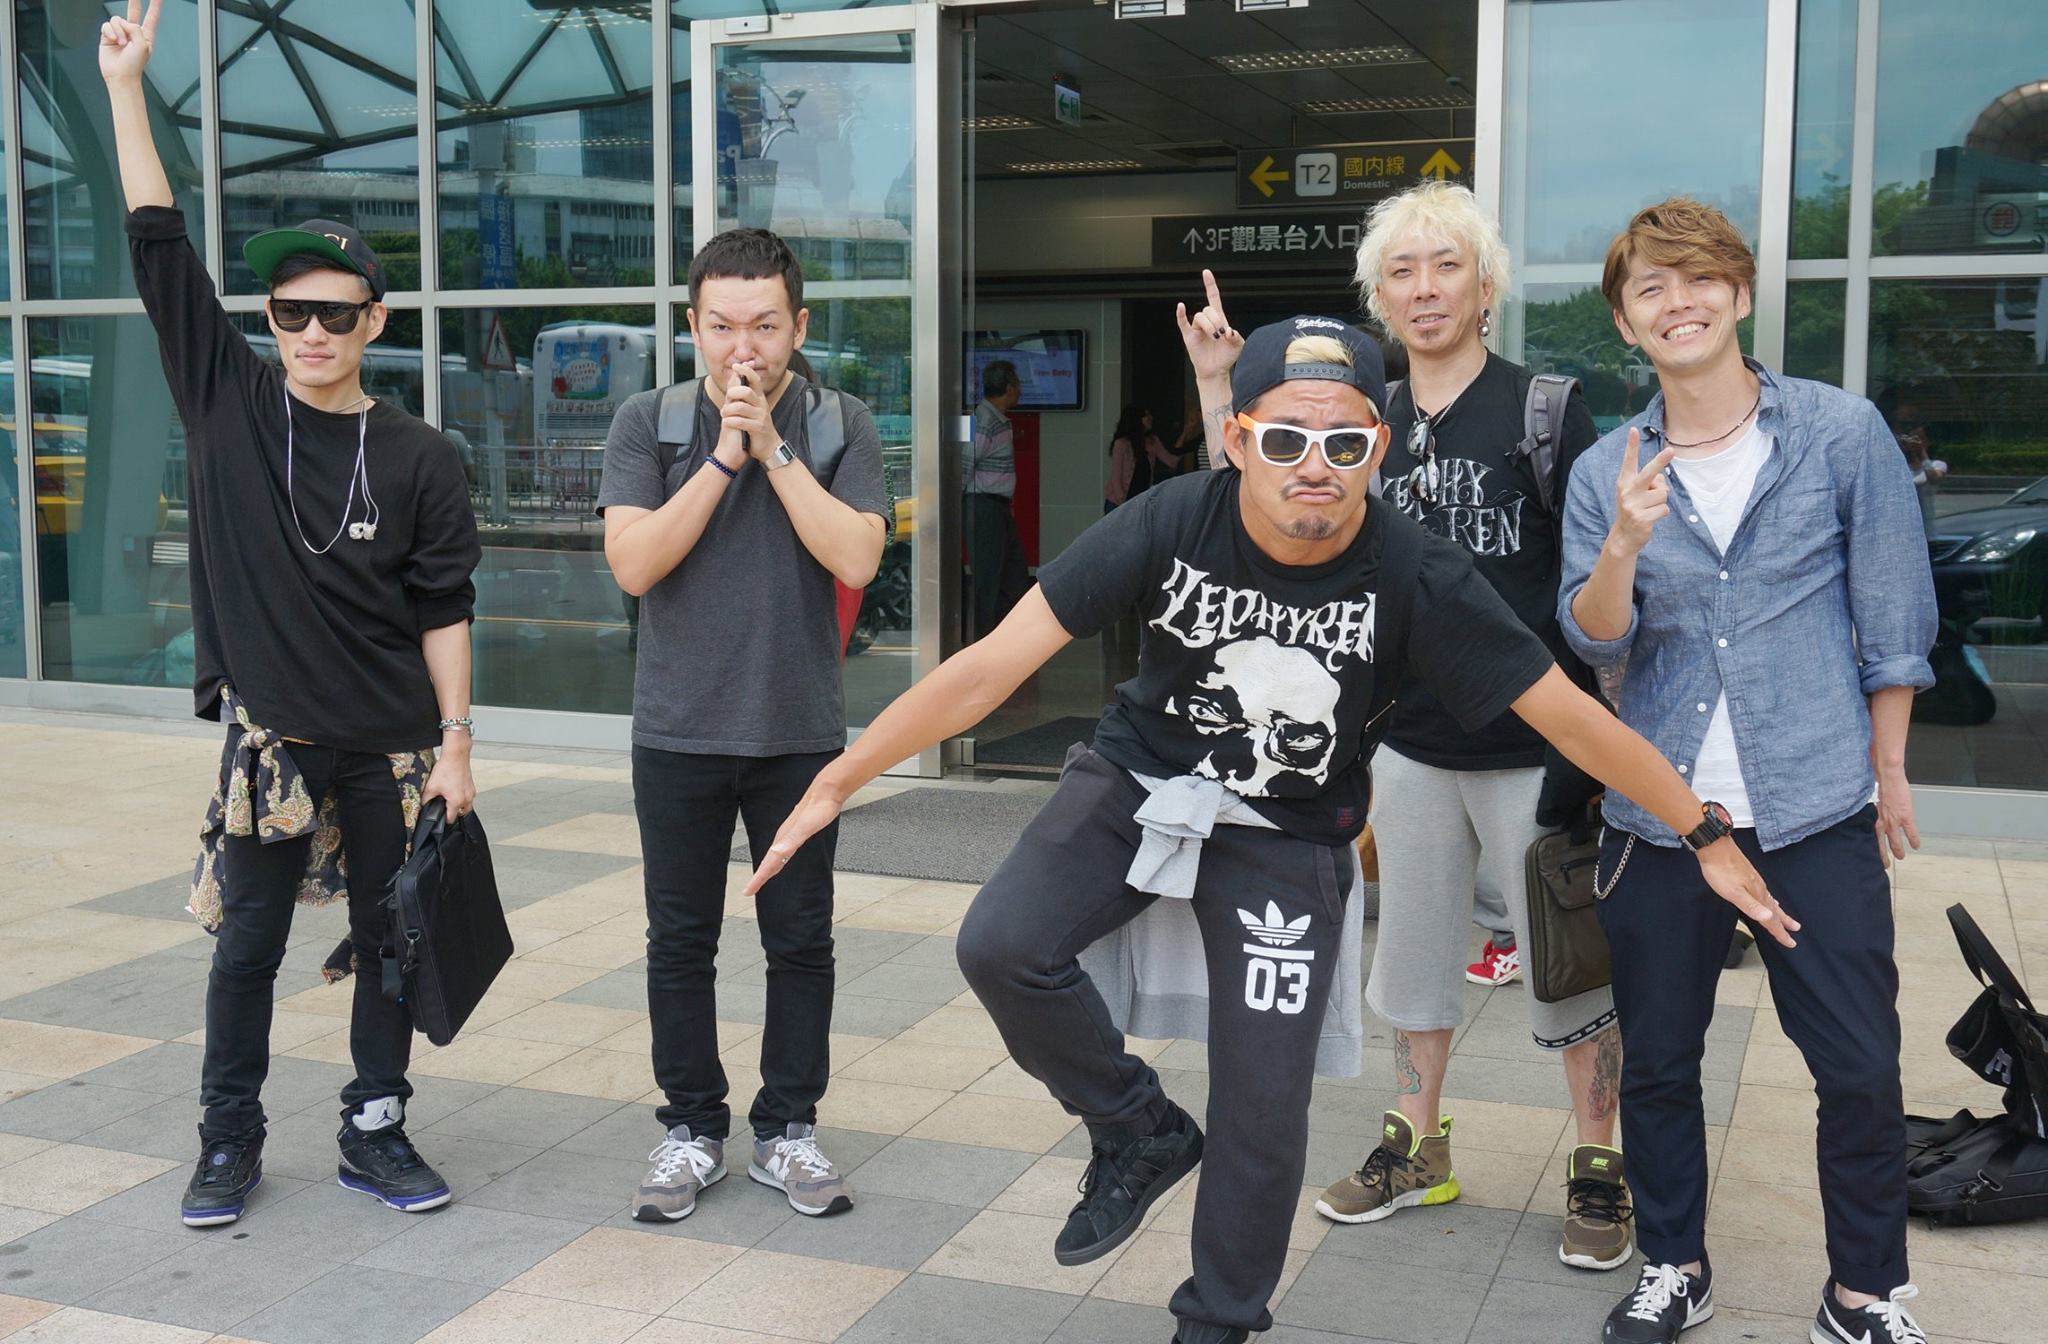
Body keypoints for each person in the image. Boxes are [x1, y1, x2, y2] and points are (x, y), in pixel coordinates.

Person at [743, 314, 1794, 1344]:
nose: (1314, 467)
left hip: (1288, 830)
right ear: (1239, 438)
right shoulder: (1172, 518)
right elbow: (989, 669)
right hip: (1137, 779)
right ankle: (1137, 1128)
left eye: (1343, 443)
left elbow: (1569, 717)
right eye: (1285, 439)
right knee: (1000, 944)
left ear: (1377, 446)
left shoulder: (1412, 569)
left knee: (1262, 1093)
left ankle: (1219, 1318)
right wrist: (839, 779)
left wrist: (1704, 833)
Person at [102, 1, 481, 1228]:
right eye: (289, 312)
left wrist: (456, 746)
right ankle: (228, 1141)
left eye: (335, 312)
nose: (310, 331)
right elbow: (159, 243)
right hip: (270, 741)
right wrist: (126, 90)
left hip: (388, 742)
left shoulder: (420, 454)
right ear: (268, 322)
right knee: (247, 950)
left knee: (390, 943)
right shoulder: (227, 402)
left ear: (375, 321)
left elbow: (443, 606)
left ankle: (376, 1131)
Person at [1560, 198, 1935, 1344]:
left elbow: (1891, 612)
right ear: (1624, 323)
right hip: (1661, 818)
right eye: (1648, 289)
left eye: (1695, 280)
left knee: (1857, 1066)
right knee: (1658, 1065)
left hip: (1813, 805)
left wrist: (1887, 768)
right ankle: (1673, 1265)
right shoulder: (1606, 468)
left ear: (1737, 292)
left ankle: (1862, 1293)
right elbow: (1593, 640)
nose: (1675, 303)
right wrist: (1622, 543)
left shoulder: (1836, 432)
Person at [597, 226, 889, 1222]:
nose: (743, 349)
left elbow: (856, 558)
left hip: (797, 732)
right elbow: (635, 564)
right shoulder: (648, 422)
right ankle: (690, 1127)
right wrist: (724, 457)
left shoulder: (841, 422)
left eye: (764, 325)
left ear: (798, 325)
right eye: (721, 326)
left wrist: (773, 451)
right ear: (694, 328)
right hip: (676, 729)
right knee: (679, 939)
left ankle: (787, 1128)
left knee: (799, 939)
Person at [966, 360, 1030, 638]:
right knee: (988, 577)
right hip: (984, 507)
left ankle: (1005, 636)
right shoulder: (984, 421)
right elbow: (965, 463)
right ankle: (984, 639)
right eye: (1018, 385)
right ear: (1009, 388)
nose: (1020, 391)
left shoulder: (996, 419)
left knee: (1014, 575)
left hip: (998, 508)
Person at [1106, 403, 1178, 510]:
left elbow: (1171, 461)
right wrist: (1122, 502)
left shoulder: (1152, 441)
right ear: (1135, 419)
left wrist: (1186, 435)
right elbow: (1116, 478)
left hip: (1140, 501)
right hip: (1119, 502)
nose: (1150, 418)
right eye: (1145, 415)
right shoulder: (1122, 443)